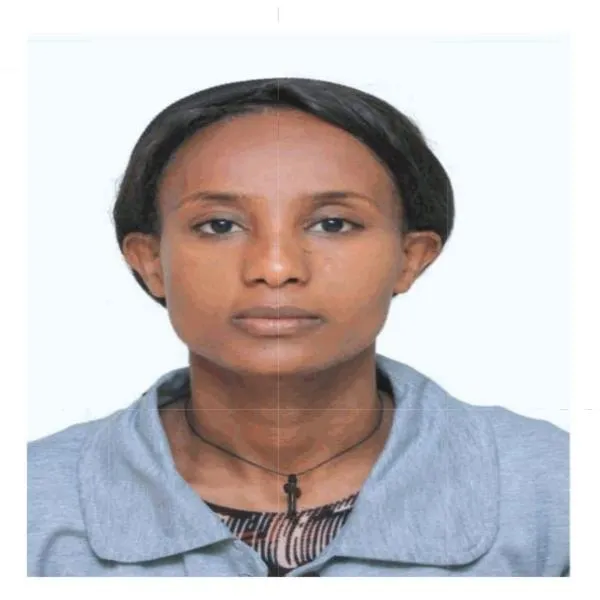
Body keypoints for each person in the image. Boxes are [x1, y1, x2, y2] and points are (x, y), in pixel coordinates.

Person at [27, 77, 569, 577]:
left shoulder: (557, 489)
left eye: (333, 223)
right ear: (150, 261)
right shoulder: (29, 500)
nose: (276, 267)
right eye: (219, 225)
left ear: (411, 258)